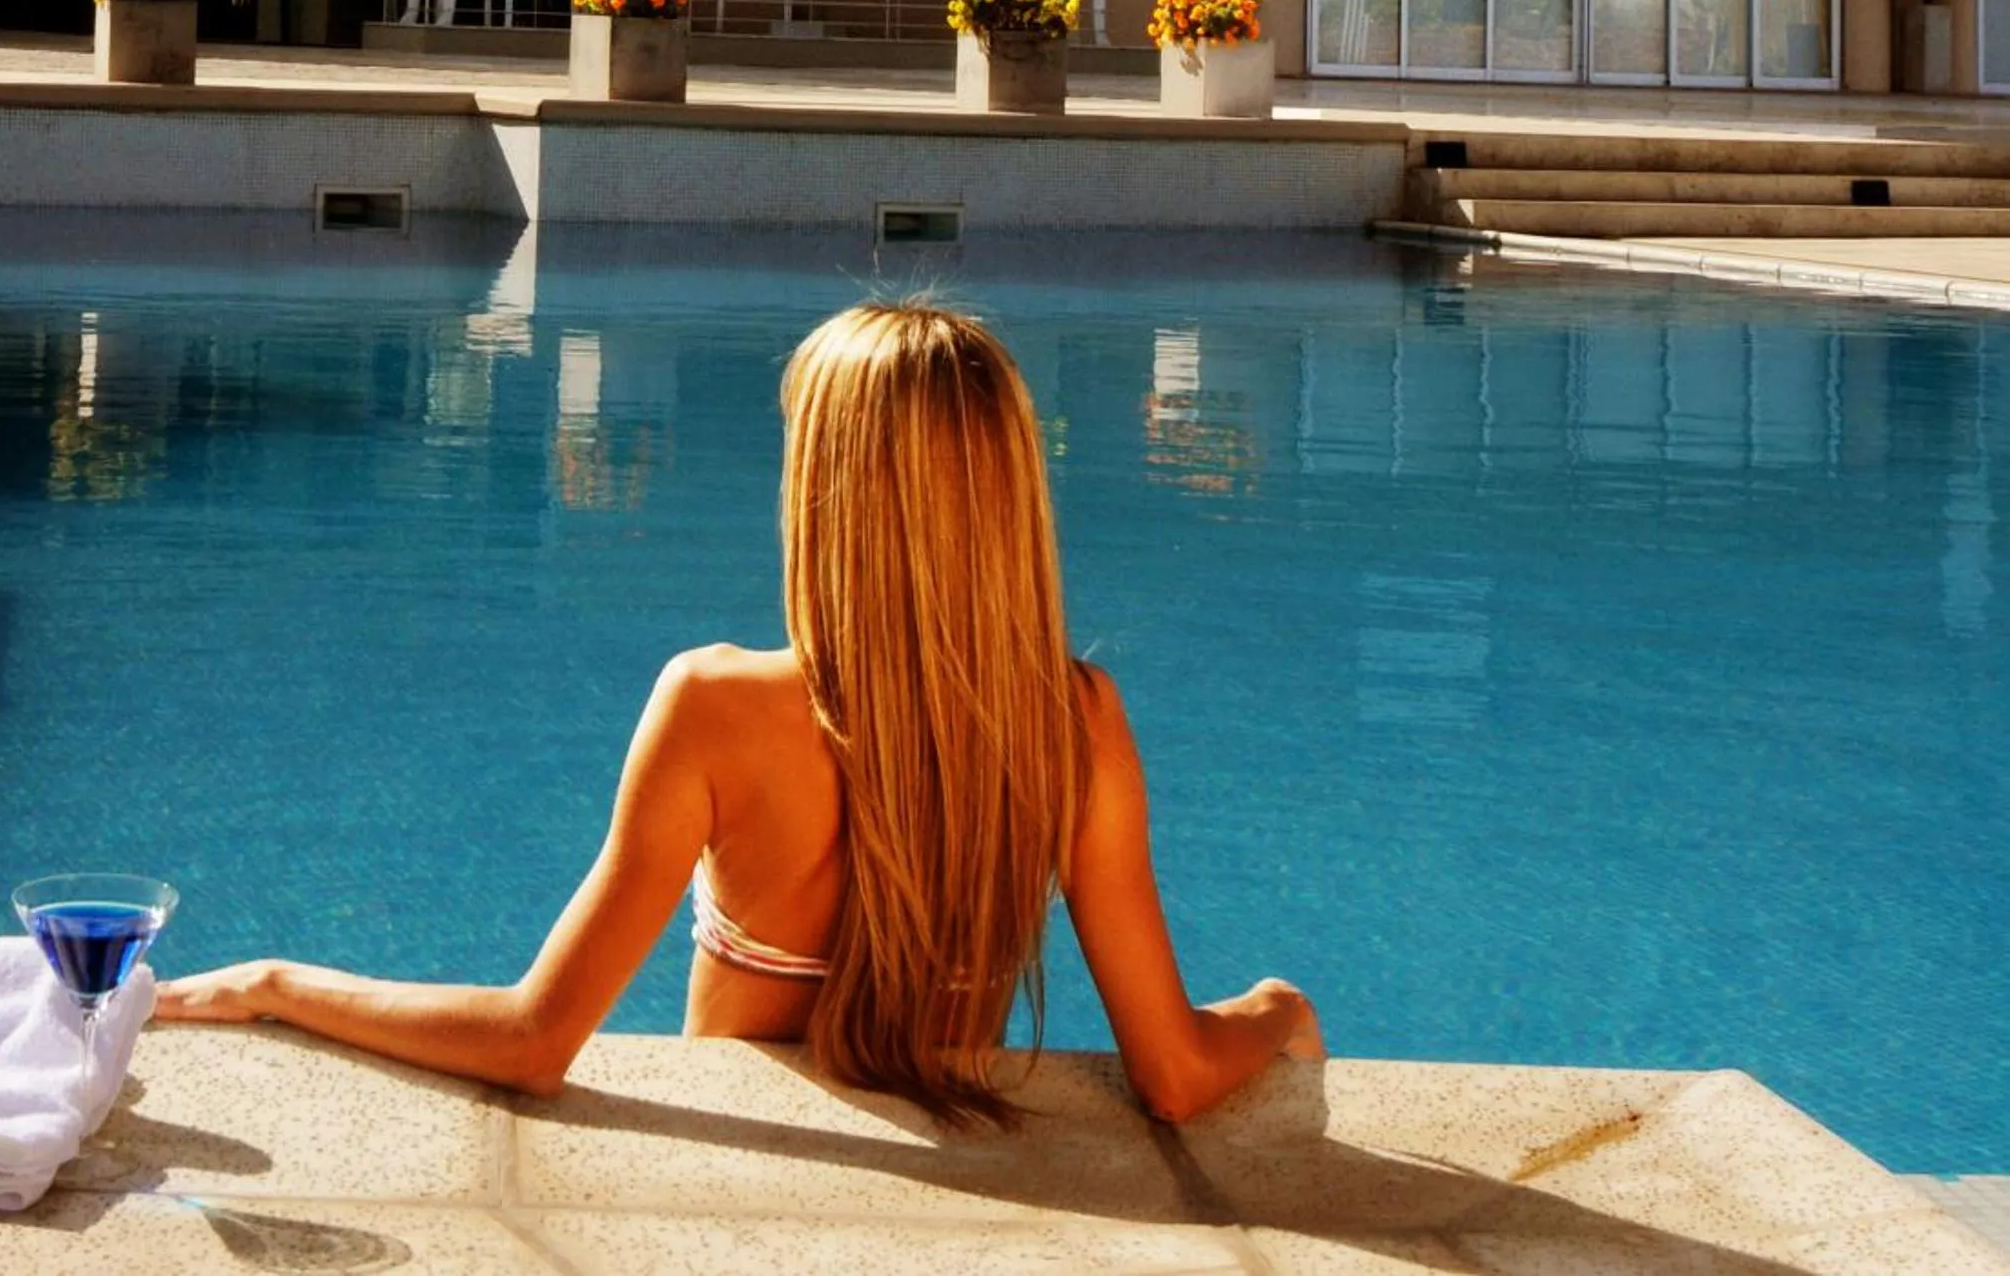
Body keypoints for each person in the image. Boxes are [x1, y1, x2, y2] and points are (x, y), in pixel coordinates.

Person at [157, 303, 1322, 1127]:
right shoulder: (1074, 718)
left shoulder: (714, 704)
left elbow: (532, 1041)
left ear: (828, 488)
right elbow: (1170, 1073)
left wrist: (271, 983)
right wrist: (1273, 1012)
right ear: (1004, 492)